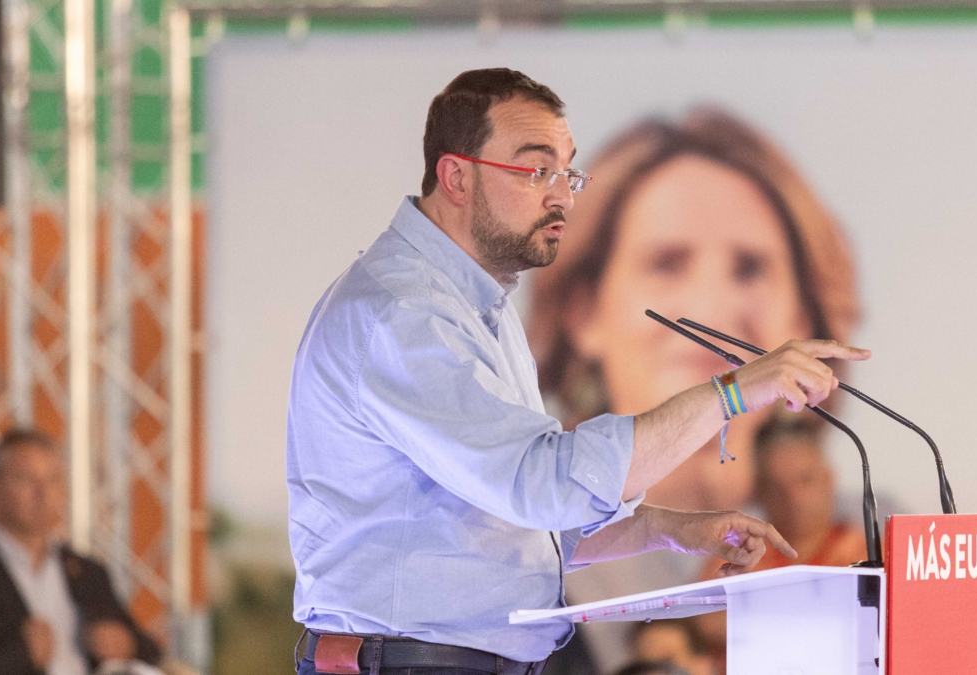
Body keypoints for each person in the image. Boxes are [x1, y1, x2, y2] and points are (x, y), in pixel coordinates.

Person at [286, 68, 871, 675]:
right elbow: (542, 485)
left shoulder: (477, 304)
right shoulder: (403, 312)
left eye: (568, 172)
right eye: (537, 170)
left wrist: (675, 530)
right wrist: (733, 391)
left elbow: (519, 526)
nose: (562, 194)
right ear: (456, 176)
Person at [527, 110, 862, 671]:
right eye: (667, 263)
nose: (710, 309)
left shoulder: (874, 537)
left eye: (749, 268)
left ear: (801, 313)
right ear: (585, 311)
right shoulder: (539, 538)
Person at [692, 417, 869, 665]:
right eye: (777, 487)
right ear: (760, 493)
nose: (792, 497)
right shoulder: (735, 552)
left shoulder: (866, 554)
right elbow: (706, 622)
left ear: (829, 480)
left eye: (804, 480)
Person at [0, 428, 162, 675]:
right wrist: (18, 654)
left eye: (52, 480)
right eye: (25, 480)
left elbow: (152, 653)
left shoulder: (87, 571)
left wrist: (126, 644)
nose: (42, 494)